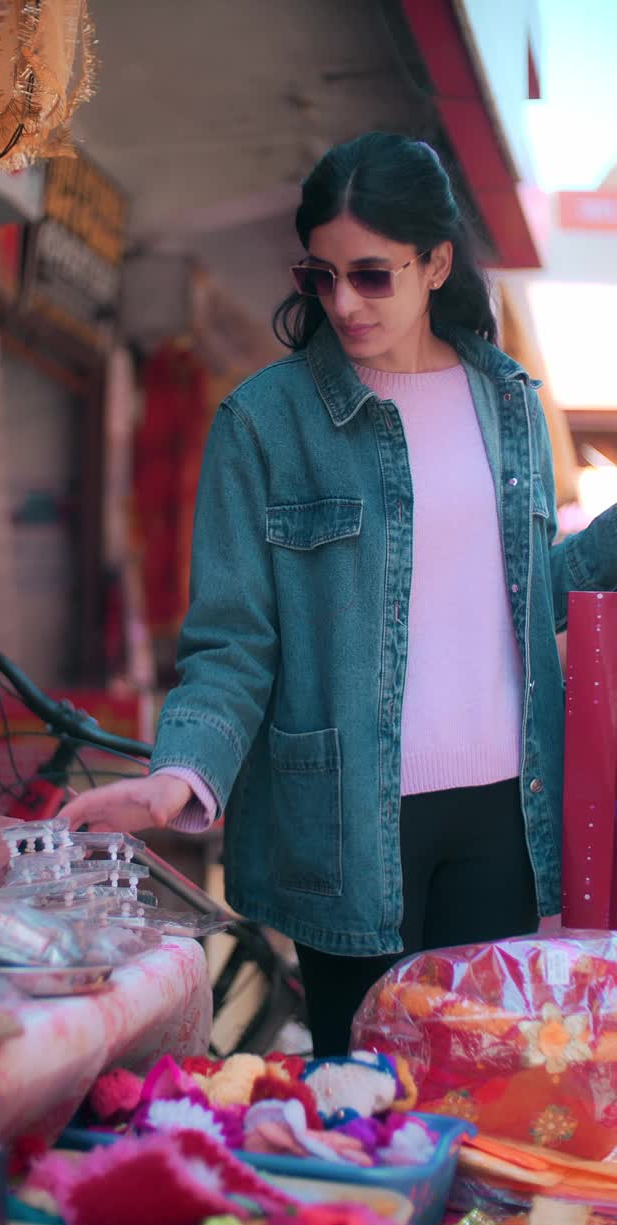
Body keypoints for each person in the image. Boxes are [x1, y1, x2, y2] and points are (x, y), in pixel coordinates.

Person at [61, 132, 617, 1055]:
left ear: (436, 262)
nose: (344, 304)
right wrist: (177, 777)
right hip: (351, 829)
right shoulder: (263, 422)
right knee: (362, 1102)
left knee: (493, 1095)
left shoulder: (509, 400)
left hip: (507, 819)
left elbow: (521, 599)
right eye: (320, 277)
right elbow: (234, 642)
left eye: (372, 275)